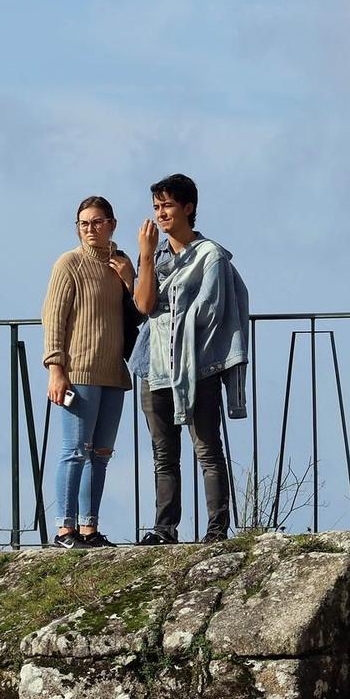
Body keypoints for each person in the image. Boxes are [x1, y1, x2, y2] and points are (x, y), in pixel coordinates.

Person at [131, 173, 248, 545]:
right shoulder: (154, 254)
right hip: (155, 365)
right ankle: (165, 527)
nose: (161, 213)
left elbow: (210, 309)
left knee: (207, 448)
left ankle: (217, 527)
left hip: (198, 366)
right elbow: (144, 305)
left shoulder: (210, 254)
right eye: (156, 207)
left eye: (167, 205)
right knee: (163, 454)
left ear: (188, 207)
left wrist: (179, 322)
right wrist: (146, 255)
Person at [41, 196, 136, 547]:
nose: (90, 229)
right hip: (78, 372)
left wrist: (129, 279)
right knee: (74, 450)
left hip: (113, 372)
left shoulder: (120, 265)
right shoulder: (69, 264)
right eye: (83, 223)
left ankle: (88, 528)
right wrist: (56, 368)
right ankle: (64, 530)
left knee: (101, 455)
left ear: (111, 223)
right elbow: (53, 318)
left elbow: (139, 311)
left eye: (97, 222)